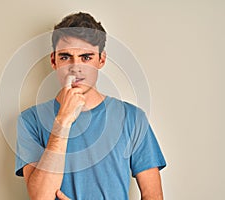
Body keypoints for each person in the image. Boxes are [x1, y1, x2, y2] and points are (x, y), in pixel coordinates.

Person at [15, 12, 166, 200]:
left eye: (86, 57)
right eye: (65, 57)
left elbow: (153, 196)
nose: (75, 67)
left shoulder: (132, 118)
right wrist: (62, 123)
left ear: (101, 60)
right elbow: (40, 197)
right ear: (53, 61)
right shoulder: (30, 121)